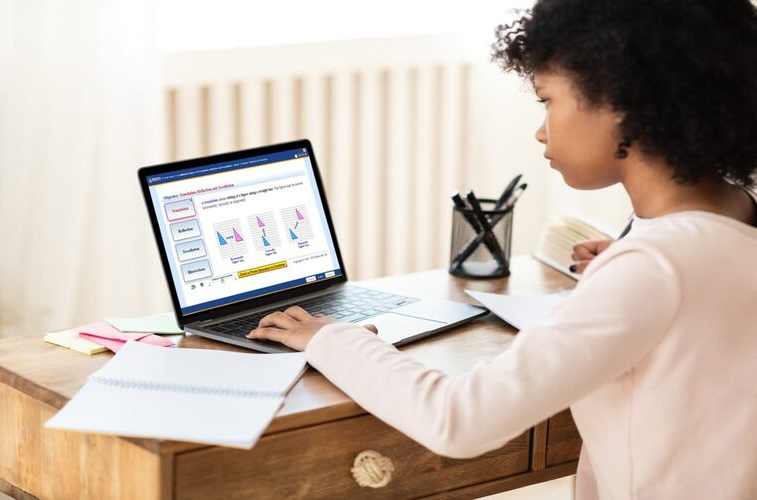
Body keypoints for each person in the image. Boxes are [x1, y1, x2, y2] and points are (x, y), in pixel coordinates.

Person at [248, 1, 757, 498]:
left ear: (623, 104)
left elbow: (459, 420)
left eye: (547, 100)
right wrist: (634, 268)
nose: (540, 129)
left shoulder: (654, 268)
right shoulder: (734, 220)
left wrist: (330, 336)